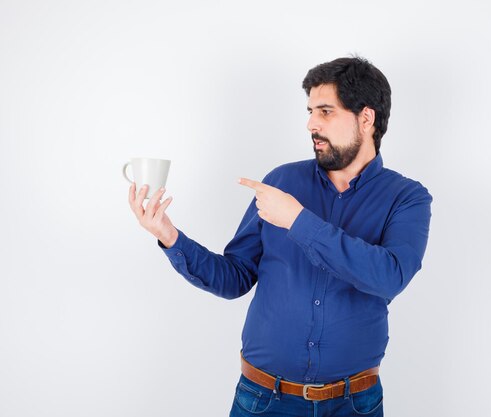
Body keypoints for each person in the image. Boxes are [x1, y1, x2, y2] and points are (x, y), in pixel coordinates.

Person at [128, 56, 432, 417]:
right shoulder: (282, 182)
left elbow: (389, 277)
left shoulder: (407, 198)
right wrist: (170, 236)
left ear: (366, 118)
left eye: (325, 112)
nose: (310, 124)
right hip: (262, 400)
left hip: (354, 405)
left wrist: (298, 220)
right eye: (309, 111)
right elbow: (235, 277)